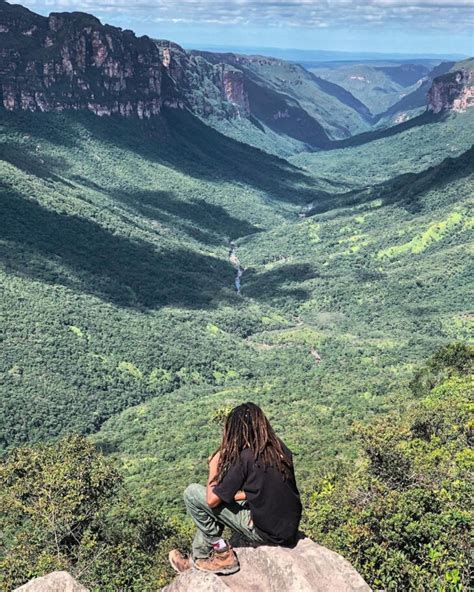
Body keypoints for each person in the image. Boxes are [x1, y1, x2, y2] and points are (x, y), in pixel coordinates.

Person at [169, 402, 302, 575]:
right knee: (223, 500)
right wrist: (233, 498)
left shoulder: (246, 457)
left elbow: (211, 500)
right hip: (287, 528)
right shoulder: (278, 448)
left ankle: (222, 554)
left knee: (193, 494)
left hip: (266, 532)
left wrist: (213, 467)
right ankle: (198, 556)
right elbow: (265, 489)